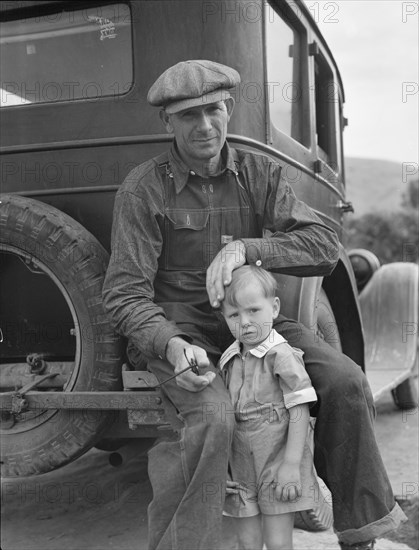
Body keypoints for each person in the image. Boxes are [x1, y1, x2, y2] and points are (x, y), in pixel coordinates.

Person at [102, 60, 406, 550]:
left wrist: (250, 249)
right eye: (189, 115)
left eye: (214, 110)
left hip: (259, 324)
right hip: (182, 333)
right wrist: (172, 345)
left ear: (228, 110)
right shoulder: (144, 188)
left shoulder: (256, 171)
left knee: (346, 381)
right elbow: (124, 293)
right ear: (168, 122)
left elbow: (324, 246)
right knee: (213, 417)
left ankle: (359, 531)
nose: (205, 125)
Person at [219, 265, 319, 550]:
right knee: (246, 541)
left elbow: (300, 409)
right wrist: (223, 467)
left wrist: (290, 464)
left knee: (277, 541)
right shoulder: (228, 360)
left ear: (274, 308)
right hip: (240, 464)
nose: (245, 322)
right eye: (234, 315)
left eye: (253, 311)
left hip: (277, 460)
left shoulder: (282, 356)